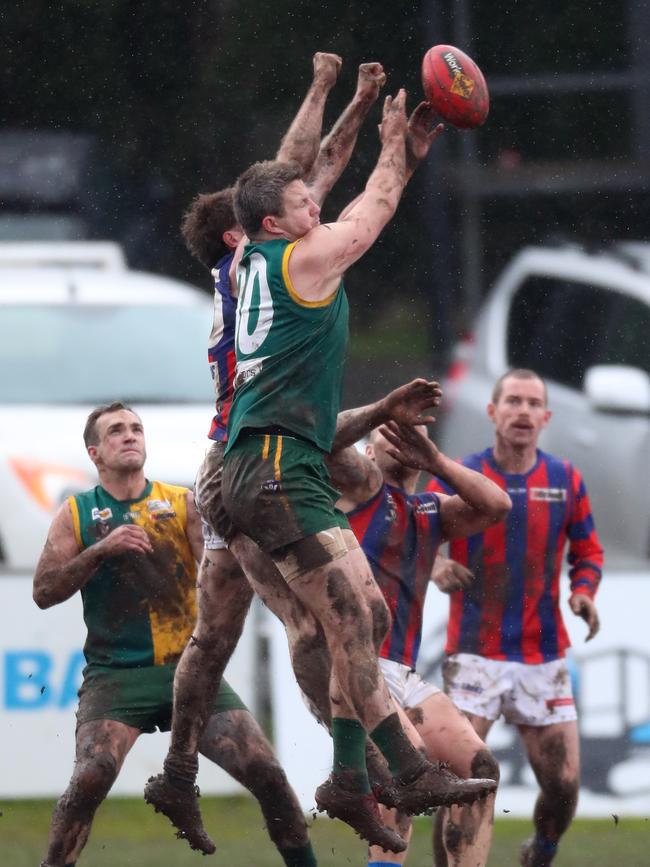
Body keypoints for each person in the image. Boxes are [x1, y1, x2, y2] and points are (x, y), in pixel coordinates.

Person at [214, 86, 497, 851]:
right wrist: (396, 145)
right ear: (276, 222)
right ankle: (401, 769)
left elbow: (358, 198)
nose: (318, 209)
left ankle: (348, 774)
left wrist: (407, 154)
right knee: (349, 618)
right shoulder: (301, 257)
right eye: (306, 202)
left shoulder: (252, 261)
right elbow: (371, 210)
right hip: (275, 467)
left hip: (266, 465)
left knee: (360, 618)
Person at [32, 403, 320, 867]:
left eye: (136, 428)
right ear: (95, 453)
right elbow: (44, 591)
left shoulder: (183, 502)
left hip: (190, 671)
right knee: (90, 778)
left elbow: (221, 574)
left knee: (267, 773)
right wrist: (101, 550)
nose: (130, 436)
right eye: (116, 431)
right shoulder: (76, 513)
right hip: (117, 675)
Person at [426, 368, 604, 867]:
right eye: (513, 401)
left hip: (541, 654)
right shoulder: (462, 475)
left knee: (565, 785)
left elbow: (587, 551)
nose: (522, 411)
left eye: (532, 403)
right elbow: (416, 534)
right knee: (462, 781)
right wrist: (436, 565)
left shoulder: (565, 479)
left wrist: (584, 592)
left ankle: (541, 852)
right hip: (475, 653)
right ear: (492, 412)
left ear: (546, 417)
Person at [325, 420, 510, 866]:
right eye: (393, 428)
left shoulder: (430, 510)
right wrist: (381, 410)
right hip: (357, 667)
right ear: (368, 451)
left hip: (403, 672)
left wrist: (435, 460)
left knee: (481, 770)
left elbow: (497, 505)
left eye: (416, 429)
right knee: (408, 771)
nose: (405, 434)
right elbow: (324, 436)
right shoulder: (356, 489)